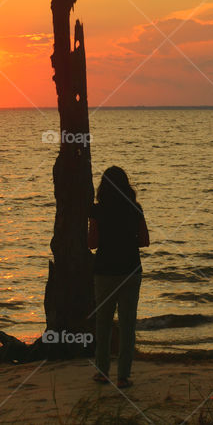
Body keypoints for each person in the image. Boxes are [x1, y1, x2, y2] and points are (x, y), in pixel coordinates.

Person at [88, 166, 150, 388]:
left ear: (103, 188)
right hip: (131, 270)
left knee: (103, 324)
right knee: (127, 324)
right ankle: (123, 375)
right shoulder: (135, 208)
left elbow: (92, 243)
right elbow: (144, 240)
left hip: (104, 271)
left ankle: (102, 371)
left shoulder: (97, 211)